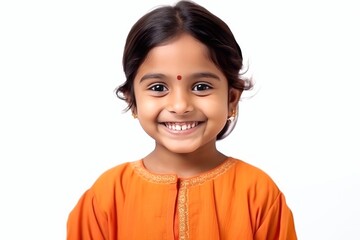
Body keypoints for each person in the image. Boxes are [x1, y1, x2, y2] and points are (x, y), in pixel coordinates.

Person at [66, 0, 297, 239]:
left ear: (231, 99)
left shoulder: (258, 194)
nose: (180, 106)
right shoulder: (106, 197)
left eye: (200, 86)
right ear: (132, 100)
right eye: (158, 87)